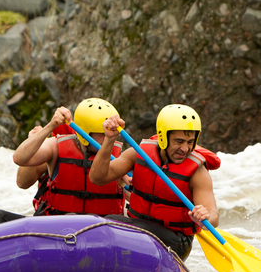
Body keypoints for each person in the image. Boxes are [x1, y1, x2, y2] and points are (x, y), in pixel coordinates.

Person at [88, 104, 219, 261]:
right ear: (163, 137)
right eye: (179, 141)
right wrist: (109, 140)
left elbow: (214, 216)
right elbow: (97, 178)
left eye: (190, 142)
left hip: (175, 242)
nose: (185, 148)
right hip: (138, 230)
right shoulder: (139, 153)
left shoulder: (198, 172)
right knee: (101, 223)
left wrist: (204, 217)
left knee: (113, 223)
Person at [0, 99, 125, 226]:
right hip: (58, 228)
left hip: (102, 233)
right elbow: (19, 160)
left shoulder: (119, 157)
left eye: (112, 132)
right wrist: (49, 127)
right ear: (85, 134)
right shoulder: (55, 147)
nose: (108, 137)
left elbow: (135, 197)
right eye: (103, 133)